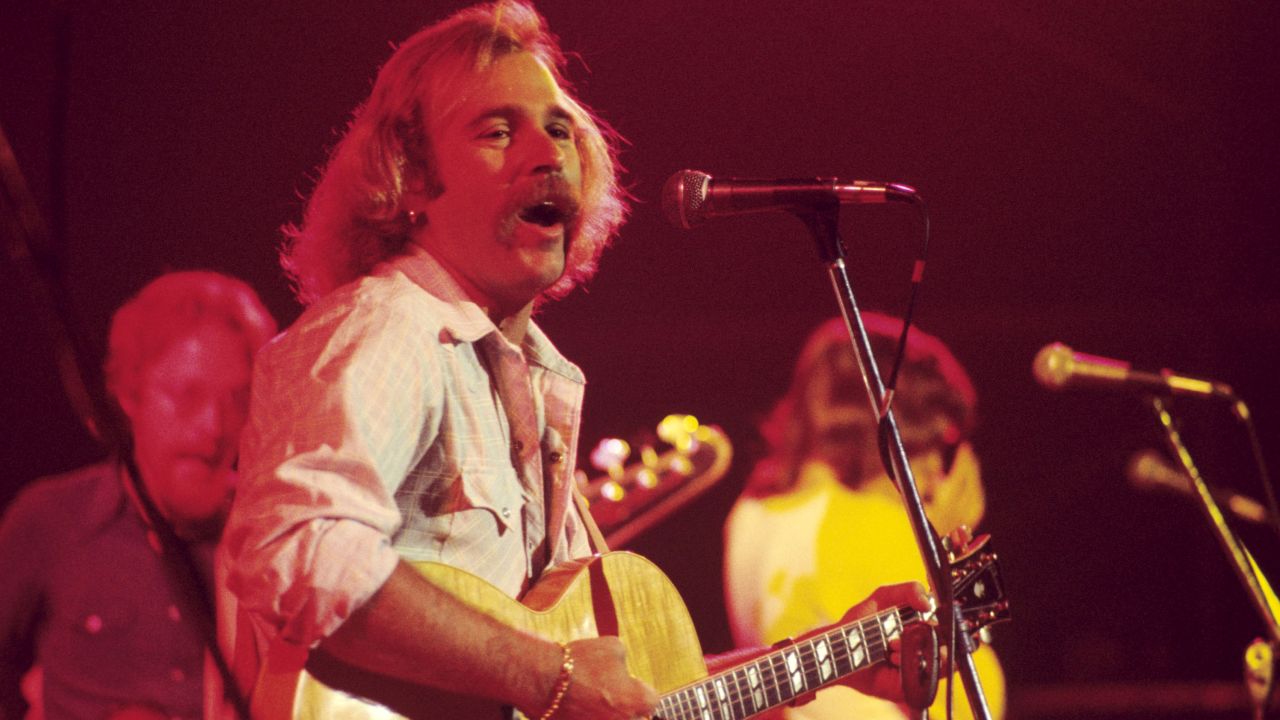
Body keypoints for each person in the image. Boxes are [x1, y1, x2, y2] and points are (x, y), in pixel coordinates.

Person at [219, 3, 932, 719]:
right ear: (408, 178)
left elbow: (620, 696)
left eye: (559, 129)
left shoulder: (526, 376)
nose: (549, 153)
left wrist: (831, 655)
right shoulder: (387, 326)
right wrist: (545, 677)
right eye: (499, 131)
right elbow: (298, 549)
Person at [0, 271, 276, 720]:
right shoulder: (50, 519)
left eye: (236, 399)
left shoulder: (269, 534)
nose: (213, 425)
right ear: (131, 394)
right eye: (187, 395)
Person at [724, 313, 1007, 720]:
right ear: (899, 434)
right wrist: (940, 558)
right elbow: (967, 705)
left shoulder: (748, 516)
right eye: (938, 445)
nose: (934, 475)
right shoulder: (867, 522)